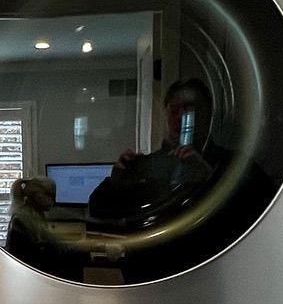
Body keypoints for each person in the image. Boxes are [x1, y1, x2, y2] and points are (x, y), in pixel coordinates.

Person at [86, 77, 219, 227]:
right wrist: (115, 184)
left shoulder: (229, 164)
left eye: (190, 110)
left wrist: (208, 178)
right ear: (166, 114)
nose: (181, 117)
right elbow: (98, 209)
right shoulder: (151, 165)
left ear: (208, 113)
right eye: (174, 110)